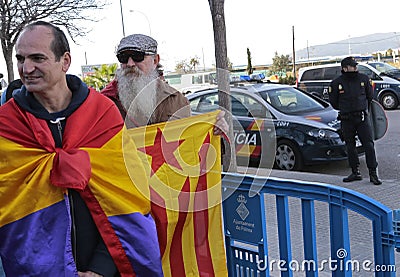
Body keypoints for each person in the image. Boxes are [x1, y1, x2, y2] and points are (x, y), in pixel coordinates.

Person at [0, 21, 163, 276]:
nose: (26, 68)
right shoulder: (6, 125)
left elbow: (128, 196)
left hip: (103, 266)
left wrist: (101, 267)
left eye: (37, 58)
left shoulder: (102, 113)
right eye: (20, 58)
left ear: (65, 61)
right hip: (33, 268)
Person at [100, 33, 227, 133]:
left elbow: (188, 145)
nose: (130, 64)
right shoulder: (103, 102)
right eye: (123, 58)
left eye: (137, 56)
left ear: (155, 60)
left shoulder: (176, 100)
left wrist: (214, 129)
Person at [329, 56, 382, 185]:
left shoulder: (363, 79)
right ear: (345, 68)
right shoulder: (336, 83)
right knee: (350, 146)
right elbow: (334, 103)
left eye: (355, 66)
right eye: (353, 66)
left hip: (362, 118)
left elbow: (370, 97)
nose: (355, 68)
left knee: (369, 145)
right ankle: (355, 172)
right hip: (347, 119)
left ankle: (373, 174)